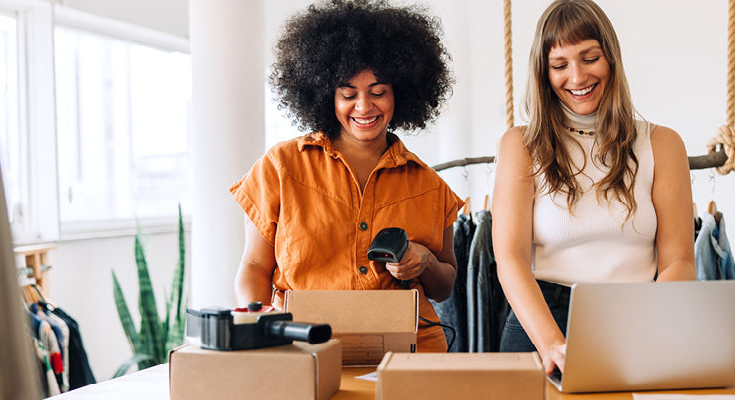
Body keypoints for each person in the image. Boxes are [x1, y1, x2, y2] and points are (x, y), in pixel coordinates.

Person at [230, 0, 460, 352]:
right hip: (303, 347)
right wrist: (259, 327)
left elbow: (445, 286)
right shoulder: (281, 166)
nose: (364, 107)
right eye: (348, 94)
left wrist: (424, 261)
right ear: (326, 96)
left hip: (409, 351)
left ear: (401, 93)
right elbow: (254, 266)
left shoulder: (430, 185)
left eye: (378, 92)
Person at [492, 0, 696, 375]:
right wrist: (553, 344)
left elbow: (680, 260)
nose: (577, 76)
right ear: (544, 72)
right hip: (543, 321)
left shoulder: (662, 143)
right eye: (560, 65)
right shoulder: (520, 145)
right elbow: (511, 259)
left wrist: (641, 329)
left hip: (639, 315)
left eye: (589, 58)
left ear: (611, 60)